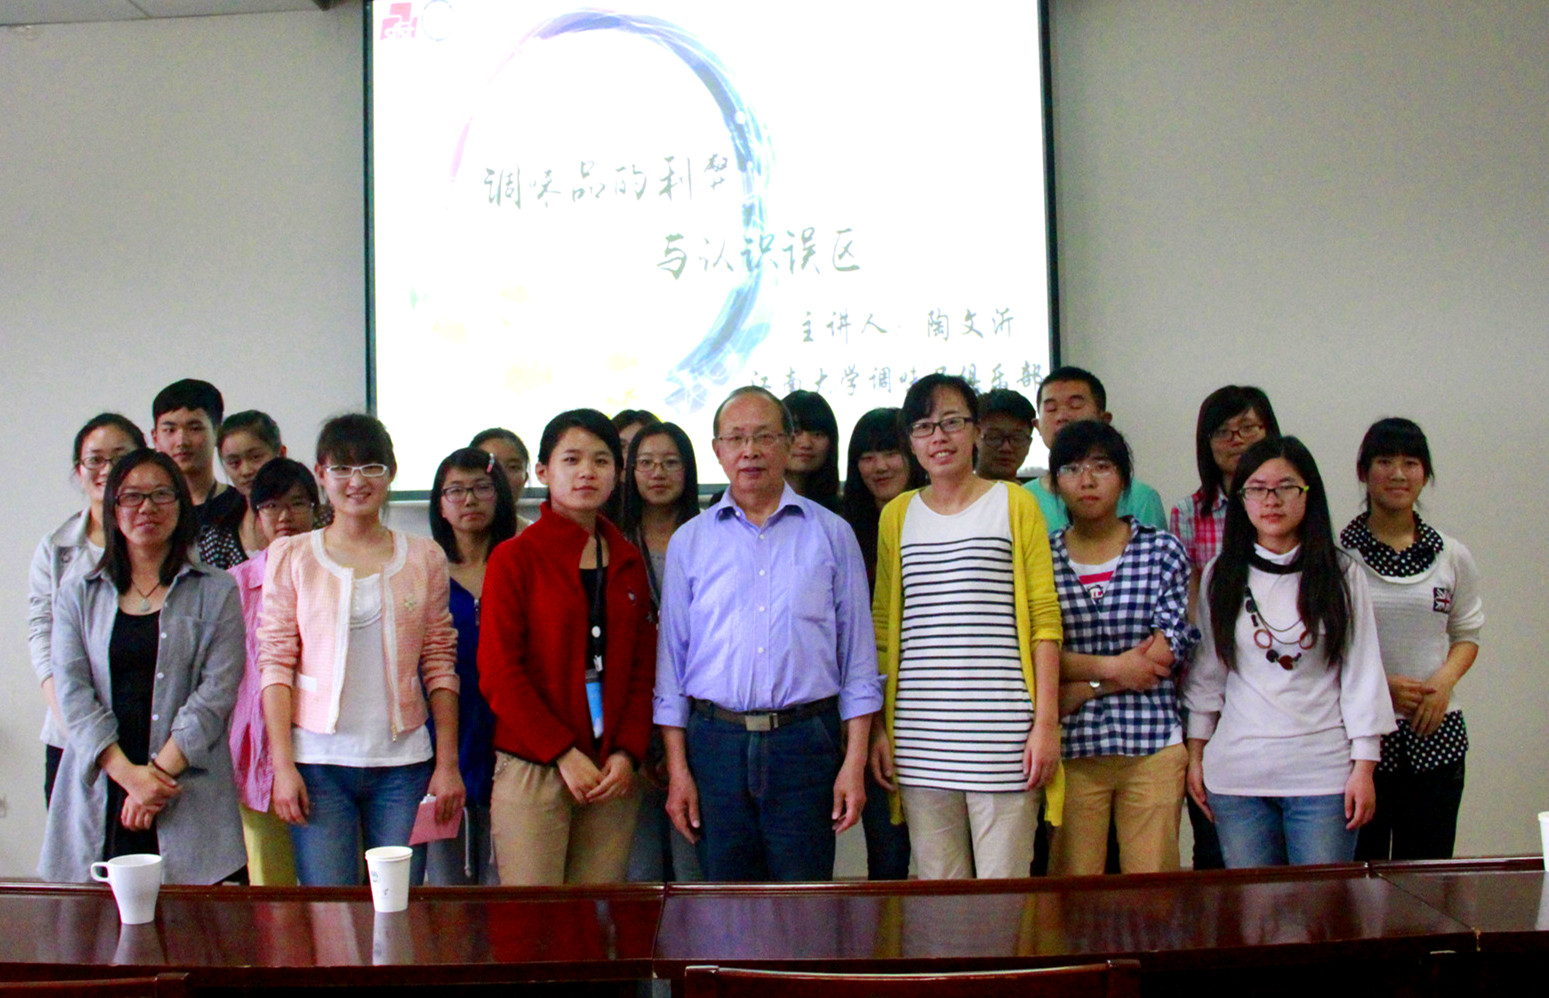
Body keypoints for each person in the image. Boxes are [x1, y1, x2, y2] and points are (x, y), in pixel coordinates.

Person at [655, 386, 881, 881]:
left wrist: (854, 763)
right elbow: (671, 666)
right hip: (716, 743)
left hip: (806, 741)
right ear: (717, 450)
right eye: (735, 438)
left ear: (788, 443)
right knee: (726, 902)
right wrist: (678, 770)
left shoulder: (831, 533)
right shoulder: (690, 541)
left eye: (763, 436)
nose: (749, 450)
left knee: (804, 902)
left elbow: (859, 659)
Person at [869, 374, 1063, 879]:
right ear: (911, 442)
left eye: (952, 422)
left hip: (1004, 739)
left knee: (1004, 895)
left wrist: (1045, 725)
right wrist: (879, 729)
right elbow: (883, 631)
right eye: (924, 427)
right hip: (919, 741)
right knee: (940, 896)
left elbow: (1044, 621)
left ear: (976, 431)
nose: (939, 437)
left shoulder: (1014, 503)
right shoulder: (897, 516)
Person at [258, 414, 464, 886]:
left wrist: (447, 763)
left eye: (372, 467)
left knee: (397, 902)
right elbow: (275, 664)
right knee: (329, 906)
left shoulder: (424, 556)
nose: (357, 482)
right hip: (317, 763)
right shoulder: (293, 556)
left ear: (391, 473)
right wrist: (283, 766)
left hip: (403, 764)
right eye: (342, 469)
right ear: (321, 474)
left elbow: (440, 663)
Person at [1181, 437, 1394, 868]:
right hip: (1238, 778)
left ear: (1308, 493)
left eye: (1285, 487)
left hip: (1323, 777)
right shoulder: (1222, 574)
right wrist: (1196, 755)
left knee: (1321, 905)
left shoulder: (1342, 573)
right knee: (1256, 906)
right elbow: (1208, 675)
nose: (1271, 500)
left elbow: (1362, 673)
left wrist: (1364, 766)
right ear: (1241, 499)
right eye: (1257, 489)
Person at [40, 449, 247, 884]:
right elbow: (72, 692)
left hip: (186, 788)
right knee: (97, 922)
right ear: (112, 507)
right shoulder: (78, 593)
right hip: (103, 782)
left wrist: (155, 779)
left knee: (195, 922)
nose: (147, 507)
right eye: (132, 496)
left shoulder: (217, 590)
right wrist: (130, 778)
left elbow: (216, 694)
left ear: (181, 505)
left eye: (161, 494)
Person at [478, 410, 657, 885]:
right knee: (534, 918)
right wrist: (561, 752)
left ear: (618, 473)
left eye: (601, 460)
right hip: (535, 765)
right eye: (572, 459)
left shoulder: (626, 559)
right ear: (543, 471)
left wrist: (627, 752)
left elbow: (643, 669)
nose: (587, 472)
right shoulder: (515, 558)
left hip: (610, 770)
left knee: (594, 916)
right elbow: (498, 671)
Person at [1044, 421, 1195, 875]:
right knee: (1073, 888)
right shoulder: (1042, 557)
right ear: (1054, 483)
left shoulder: (1161, 549)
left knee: (1153, 888)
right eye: (1072, 468)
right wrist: (1115, 669)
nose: (1087, 480)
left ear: (1124, 479)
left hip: (1152, 744)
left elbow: (1166, 649)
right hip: (1072, 747)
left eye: (1101, 467)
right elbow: (1040, 653)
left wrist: (1086, 685)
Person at [1343, 419, 1483, 861]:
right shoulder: (1337, 555)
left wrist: (1443, 682)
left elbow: (1467, 634)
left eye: (1411, 463)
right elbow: (1323, 648)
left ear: (1425, 474)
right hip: (1359, 742)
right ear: (1363, 471)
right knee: (1361, 876)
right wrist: (1378, 687)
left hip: (1436, 733)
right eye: (1385, 461)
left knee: (1429, 874)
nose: (1398, 474)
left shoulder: (1451, 554)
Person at [1167, 385, 1280, 870]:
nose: (1236, 440)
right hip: (1213, 687)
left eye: (1248, 428)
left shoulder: (1291, 507)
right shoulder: (1188, 513)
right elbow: (1186, 607)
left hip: (1282, 687)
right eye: (1222, 431)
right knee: (1213, 842)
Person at [29, 413, 146, 806]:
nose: (108, 469)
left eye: (120, 457)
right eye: (95, 459)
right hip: (71, 736)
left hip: (152, 733)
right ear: (79, 470)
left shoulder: (168, 543)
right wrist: (77, 725)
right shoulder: (56, 549)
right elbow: (42, 637)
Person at [423, 447, 517, 885]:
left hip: (512, 734)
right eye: (455, 491)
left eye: (481, 488)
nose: (470, 499)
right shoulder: (424, 570)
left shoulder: (519, 564)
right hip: (442, 737)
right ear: (439, 504)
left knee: (507, 882)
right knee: (446, 887)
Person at [618, 422, 705, 882]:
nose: (658, 473)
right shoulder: (612, 542)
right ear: (630, 471)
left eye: (671, 463)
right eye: (646, 463)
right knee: (640, 868)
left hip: (700, 716)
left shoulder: (712, 535)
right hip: (629, 716)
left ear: (689, 470)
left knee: (693, 862)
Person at [840, 407, 924, 879]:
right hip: (872, 719)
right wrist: (872, 728)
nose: (879, 466)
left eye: (890, 452)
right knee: (888, 858)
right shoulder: (842, 532)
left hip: (937, 711)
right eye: (866, 456)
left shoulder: (936, 523)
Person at [226, 458, 318, 885]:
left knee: (336, 884)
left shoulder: (339, 576)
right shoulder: (233, 585)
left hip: (327, 751)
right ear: (256, 515)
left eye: (297, 503)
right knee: (271, 889)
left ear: (317, 508)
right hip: (258, 752)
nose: (285, 517)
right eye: (271, 506)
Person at [1024, 367, 1167, 532]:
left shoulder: (1142, 498)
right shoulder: (1023, 498)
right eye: (1051, 408)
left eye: (1075, 405)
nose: (1062, 416)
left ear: (1103, 420)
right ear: (1037, 426)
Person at [197, 410, 285, 570]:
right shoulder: (217, 539)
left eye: (255, 457)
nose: (246, 471)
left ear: (281, 454)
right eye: (234, 463)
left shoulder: (321, 520)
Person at [151, 378, 242, 529]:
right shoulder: (148, 511)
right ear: (155, 438)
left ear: (218, 433)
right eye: (170, 430)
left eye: (194, 428)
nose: (181, 441)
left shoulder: (241, 507)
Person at [782, 389, 842, 512]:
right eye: (796, 432)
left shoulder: (841, 513)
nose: (806, 444)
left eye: (817, 434)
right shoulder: (750, 507)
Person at [470, 427, 533, 533]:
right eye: (492, 466)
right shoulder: (444, 540)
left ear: (525, 479)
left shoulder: (540, 537)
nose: (501, 475)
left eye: (513, 467)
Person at [975, 388, 1037, 483]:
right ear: (973, 437)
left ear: (1029, 443)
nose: (1006, 448)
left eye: (1017, 438)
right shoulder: (954, 491)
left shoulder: (1032, 492)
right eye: (995, 437)